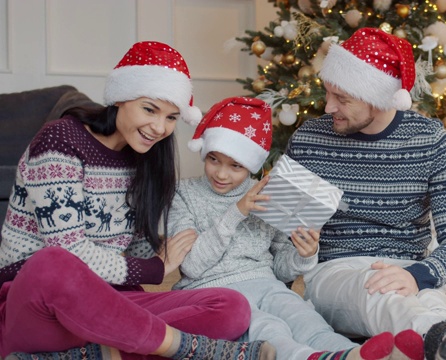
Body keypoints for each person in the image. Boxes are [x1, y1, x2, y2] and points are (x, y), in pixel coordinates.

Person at [0, 41, 274, 360]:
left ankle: (87, 355)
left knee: (231, 307)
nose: (159, 128)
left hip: (112, 308)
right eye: (149, 109)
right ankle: (184, 348)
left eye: (171, 118)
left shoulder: (145, 159)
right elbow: (70, 250)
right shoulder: (60, 140)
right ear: (120, 98)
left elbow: (135, 246)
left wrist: (176, 248)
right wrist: (155, 269)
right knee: (54, 261)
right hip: (36, 304)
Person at [283, 28, 446, 360]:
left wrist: (418, 274)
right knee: (378, 291)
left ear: (379, 97)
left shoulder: (433, 142)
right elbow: (278, 232)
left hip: (408, 270)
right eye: (328, 93)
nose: (328, 107)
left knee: (426, 300)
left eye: (342, 98)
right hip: (335, 273)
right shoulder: (309, 139)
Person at [169, 96, 427, 360]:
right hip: (214, 292)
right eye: (214, 159)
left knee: (305, 317)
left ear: (251, 166)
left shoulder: (266, 193)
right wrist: (236, 212)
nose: (222, 174)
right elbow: (191, 267)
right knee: (269, 327)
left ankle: (355, 355)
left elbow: (281, 270)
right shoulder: (184, 193)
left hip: (266, 283)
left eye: (235, 166)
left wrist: (304, 255)